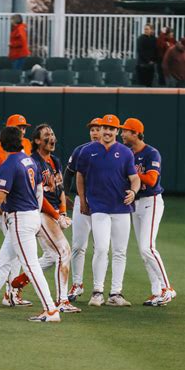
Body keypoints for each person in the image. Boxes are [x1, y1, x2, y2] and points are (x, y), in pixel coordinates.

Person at [0, 126, 61, 323]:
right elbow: (40, 188)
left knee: (30, 265)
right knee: (2, 263)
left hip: (20, 219)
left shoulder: (9, 164)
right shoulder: (29, 160)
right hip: (30, 215)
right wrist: (36, 211)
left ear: (2, 143)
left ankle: (51, 310)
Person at [76, 114, 140, 307]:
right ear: (101, 129)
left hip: (121, 206)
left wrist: (134, 192)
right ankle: (97, 291)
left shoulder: (126, 152)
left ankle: (116, 293)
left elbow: (134, 178)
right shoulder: (87, 151)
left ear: (117, 131)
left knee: (120, 251)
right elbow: (80, 176)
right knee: (102, 248)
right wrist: (82, 200)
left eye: (111, 128)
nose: (107, 131)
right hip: (99, 207)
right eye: (105, 127)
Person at [120, 117, 176, 306]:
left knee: (148, 247)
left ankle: (167, 288)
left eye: (125, 131)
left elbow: (151, 180)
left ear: (135, 133)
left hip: (151, 202)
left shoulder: (152, 153)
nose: (122, 134)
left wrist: (132, 174)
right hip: (135, 203)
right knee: (144, 251)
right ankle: (156, 291)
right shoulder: (127, 153)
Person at [0, 113, 33, 307]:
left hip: (21, 205)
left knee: (14, 250)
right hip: (2, 206)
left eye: (24, 127)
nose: (22, 131)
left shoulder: (26, 144)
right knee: (17, 250)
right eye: (19, 127)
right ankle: (9, 292)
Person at [31, 124, 80, 313]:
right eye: (46, 135)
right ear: (37, 141)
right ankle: (62, 301)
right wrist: (57, 215)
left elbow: (60, 190)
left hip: (52, 212)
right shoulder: (33, 162)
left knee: (19, 257)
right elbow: (39, 198)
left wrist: (63, 212)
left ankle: (11, 285)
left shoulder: (55, 161)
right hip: (38, 212)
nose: (51, 137)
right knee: (63, 252)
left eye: (52, 134)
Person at [63, 117, 103, 302]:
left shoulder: (116, 151)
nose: (95, 132)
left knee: (100, 248)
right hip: (82, 200)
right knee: (78, 245)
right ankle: (77, 284)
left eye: (98, 129)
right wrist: (63, 196)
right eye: (92, 129)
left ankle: (98, 288)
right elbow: (69, 173)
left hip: (104, 204)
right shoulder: (81, 150)